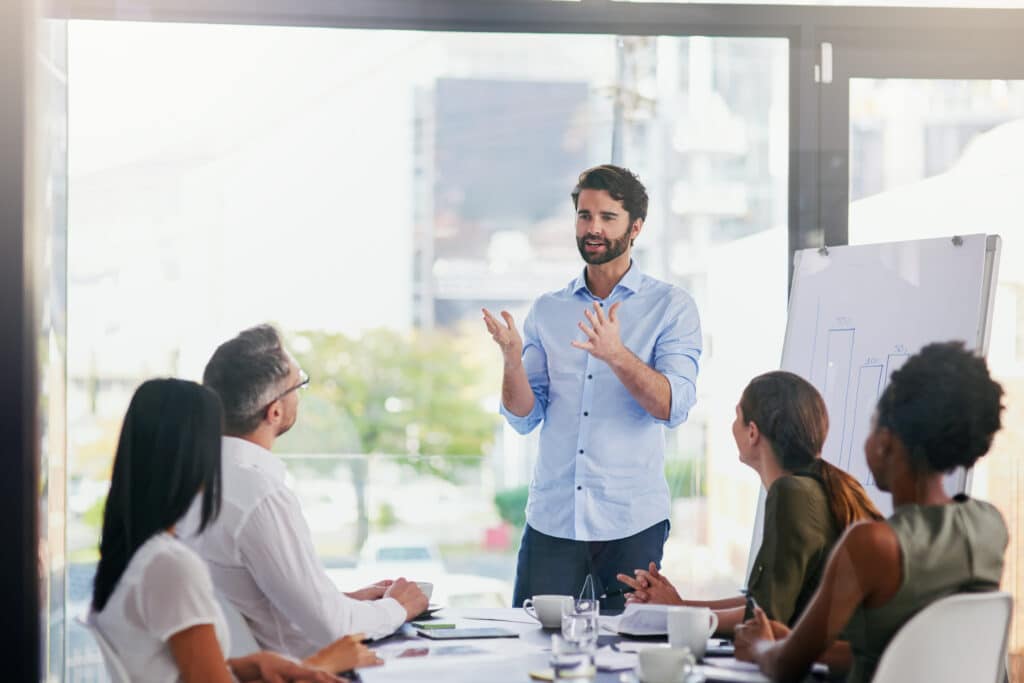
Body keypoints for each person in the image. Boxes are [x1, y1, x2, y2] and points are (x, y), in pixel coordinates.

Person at [483, 164, 702, 609]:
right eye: (585, 216)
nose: (593, 228)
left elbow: (672, 406)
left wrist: (615, 354)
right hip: (553, 519)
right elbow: (525, 416)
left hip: (631, 522)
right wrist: (510, 358)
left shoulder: (671, 307)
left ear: (635, 227)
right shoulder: (548, 310)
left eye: (607, 217)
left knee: (627, 648)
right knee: (533, 644)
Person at [734, 341, 1009, 683]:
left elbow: (786, 665)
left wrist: (761, 646)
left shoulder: (872, 544)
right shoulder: (989, 526)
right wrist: (791, 640)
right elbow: (900, 647)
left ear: (885, 442)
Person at [90, 378, 379, 683]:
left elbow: (173, 671)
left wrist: (250, 665)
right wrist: (320, 663)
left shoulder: (132, 556)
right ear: (196, 456)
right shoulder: (170, 566)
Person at [181, 325, 428, 660]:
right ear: (275, 411)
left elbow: (259, 603)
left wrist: (341, 600)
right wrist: (398, 608)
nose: (301, 394)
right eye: (299, 385)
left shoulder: (193, 482)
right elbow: (332, 628)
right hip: (302, 671)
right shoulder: (258, 498)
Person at [618, 371, 882, 634]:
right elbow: (759, 602)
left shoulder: (791, 494)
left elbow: (764, 619)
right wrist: (676, 604)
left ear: (752, 432)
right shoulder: (816, 486)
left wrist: (677, 613)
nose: (732, 425)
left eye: (737, 416)